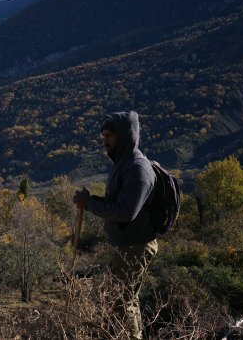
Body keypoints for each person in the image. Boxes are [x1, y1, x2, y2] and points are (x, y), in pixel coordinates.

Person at [72, 111, 158, 340]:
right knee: (127, 300)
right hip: (126, 245)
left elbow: (125, 212)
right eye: (103, 135)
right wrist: (93, 201)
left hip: (134, 247)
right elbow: (118, 203)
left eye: (109, 135)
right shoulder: (124, 164)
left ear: (125, 135)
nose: (105, 140)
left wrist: (89, 204)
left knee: (121, 303)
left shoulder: (138, 169)